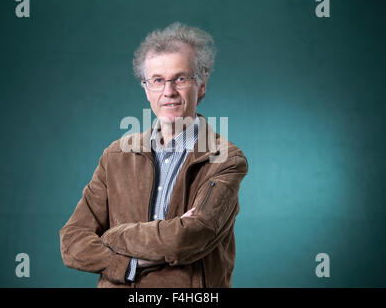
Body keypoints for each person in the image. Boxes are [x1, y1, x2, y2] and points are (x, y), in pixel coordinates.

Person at [59, 22, 248, 288]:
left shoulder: (225, 159)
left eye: (180, 78)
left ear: (202, 85)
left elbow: (186, 239)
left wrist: (112, 236)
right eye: (158, 80)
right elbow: (72, 240)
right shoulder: (116, 155)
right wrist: (128, 265)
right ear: (146, 89)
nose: (168, 91)